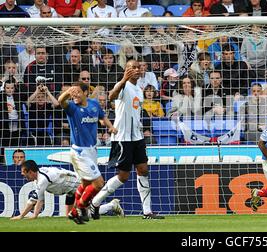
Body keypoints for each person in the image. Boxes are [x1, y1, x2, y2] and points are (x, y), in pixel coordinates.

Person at [91, 59, 165, 220]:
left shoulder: (139, 89)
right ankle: (95, 203)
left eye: (139, 68)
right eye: (133, 68)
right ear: (126, 70)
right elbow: (111, 96)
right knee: (123, 176)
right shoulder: (123, 85)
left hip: (137, 137)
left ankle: (147, 212)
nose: (137, 70)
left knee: (143, 170)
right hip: (123, 138)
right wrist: (123, 79)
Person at [58, 83, 117, 224]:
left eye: (77, 92)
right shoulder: (72, 108)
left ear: (86, 93)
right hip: (79, 152)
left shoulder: (94, 104)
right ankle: (80, 207)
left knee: (85, 183)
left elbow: (102, 116)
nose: (74, 95)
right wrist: (67, 93)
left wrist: (110, 127)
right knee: (98, 184)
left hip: (92, 150)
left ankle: (74, 212)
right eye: (73, 93)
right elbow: (61, 101)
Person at [10, 160, 124, 220]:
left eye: (24, 172)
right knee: (69, 216)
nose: (22, 175)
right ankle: (110, 205)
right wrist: (34, 215)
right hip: (71, 190)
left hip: (80, 185)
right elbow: (39, 199)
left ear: (30, 171)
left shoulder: (42, 179)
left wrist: (22, 216)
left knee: (85, 213)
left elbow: (35, 200)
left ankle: (112, 205)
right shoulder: (39, 177)